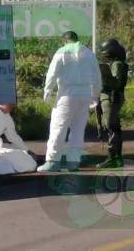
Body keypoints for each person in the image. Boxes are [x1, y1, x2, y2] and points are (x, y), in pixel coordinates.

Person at [38, 31, 102, 172]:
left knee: (58, 127)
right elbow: (97, 77)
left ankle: (53, 161)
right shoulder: (89, 54)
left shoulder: (62, 52)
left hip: (67, 93)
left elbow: (52, 73)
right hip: (85, 94)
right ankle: (73, 161)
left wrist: (47, 91)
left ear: (65, 40)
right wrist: (95, 95)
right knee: (78, 129)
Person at [97, 39, 129, 169]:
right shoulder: (116, 63)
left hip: (111, 98)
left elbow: (116, 83)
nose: (104, 54)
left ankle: (113, 158)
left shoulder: (117, 64)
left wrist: (103, 74)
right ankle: (117, 157)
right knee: (113, 127)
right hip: (109, 97)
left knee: (112, 127)